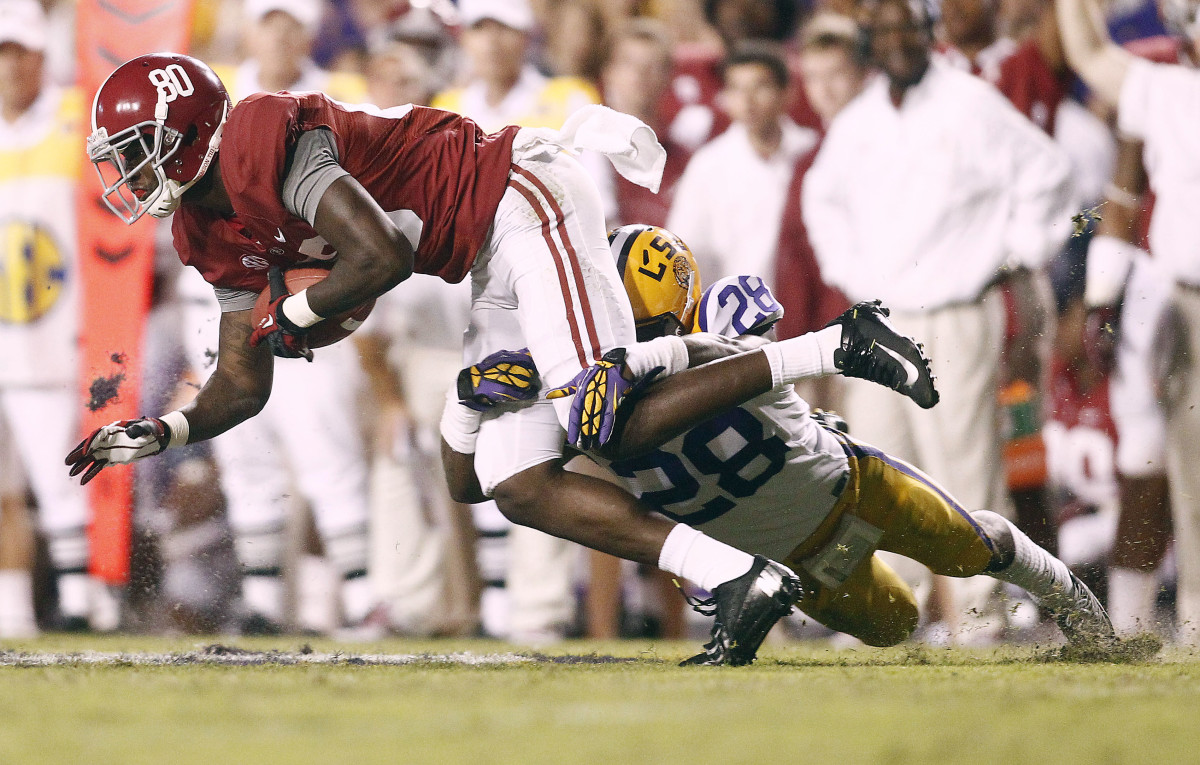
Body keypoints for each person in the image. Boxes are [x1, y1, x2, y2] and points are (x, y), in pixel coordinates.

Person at [67, 52, 801, 666]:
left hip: (522, 194)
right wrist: (168, 430)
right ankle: (736, 575)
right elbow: (239, 378)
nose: (129, 175)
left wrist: (289, 313)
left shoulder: (262, 140)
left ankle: (820, 348)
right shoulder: (206, 225)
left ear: (190, 133)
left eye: (136, 152)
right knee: (512, 480)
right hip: (484, 249)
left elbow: (378, 256)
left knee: (600, 414)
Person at [460, 224, 1115, 651]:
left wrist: (641, 360)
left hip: (853, 489)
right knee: (893, 624)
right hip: (791, 565)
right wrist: (471, 407)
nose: (625, 340)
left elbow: (723, 351)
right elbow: (485, 481)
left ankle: (1077, 603)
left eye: (644, 326)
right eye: (618, 328)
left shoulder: (716, 321)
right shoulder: (579, 375)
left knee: (971, 546)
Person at [802, 0, 1075, 640]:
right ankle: (888, 614)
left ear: (929, 34)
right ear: (869, 41)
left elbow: (1049, 173)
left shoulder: (968, 102)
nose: (897, 41)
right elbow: (822, 198)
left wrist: (1013, 254)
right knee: (874, 468)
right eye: (884, 31)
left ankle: (983, 614)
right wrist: (851, 271)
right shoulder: (861, 118)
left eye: (908, 28)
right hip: (881, 319)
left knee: (965, 466)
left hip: (956, 308)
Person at [1055, 0, 1200, 642]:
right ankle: (1144, 622)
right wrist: (1101, 295)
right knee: (1156, 459)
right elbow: (1120, 199)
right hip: (1175, 293)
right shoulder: (1161, 88)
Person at [0, 0, 116, 631]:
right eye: (1, 53)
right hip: (10, 329)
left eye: (19, 51)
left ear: (43, 55)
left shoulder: (77, 122)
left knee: (60, 470)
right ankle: (13, 612)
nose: (9, 67)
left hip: (58, 331)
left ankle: (82, 599)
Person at [667, 43, 818, 287]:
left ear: (787, 92)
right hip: (736, 315)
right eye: (736, 89)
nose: (747, 101)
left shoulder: (811, 152)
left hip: (812, 311)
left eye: (760, 87)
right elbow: (686, 251)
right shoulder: (709, 165)